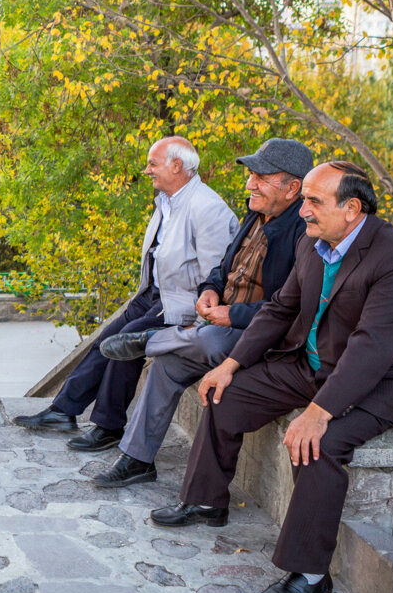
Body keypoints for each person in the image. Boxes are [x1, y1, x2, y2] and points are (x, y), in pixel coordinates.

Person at [150, 161, 393, 593]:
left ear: (352, 209)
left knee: (318, 444)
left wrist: (318, 411)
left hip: (383, 382)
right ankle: (206, 503)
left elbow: (372, 348)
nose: (302, 210)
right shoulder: (315, 242)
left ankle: (309, 574)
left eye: (312, 200)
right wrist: (231, 363)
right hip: (313, 363)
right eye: (302, 198)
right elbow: (280, 310)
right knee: (225, 395)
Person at [89, 138, 312, 488]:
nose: (249, 184)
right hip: (219, 325)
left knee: (209, 341)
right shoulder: (254, 213)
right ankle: (136, 460)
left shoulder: (305, 233)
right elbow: (221, 269)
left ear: (292, 187)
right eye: (251, 175)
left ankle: (152, 340)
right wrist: (210, 291)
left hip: (261, 337)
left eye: (261, 177)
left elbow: (290, 307)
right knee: (167, 367)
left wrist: (233, 315)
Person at [14, 137, 239, 450]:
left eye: (152, 163)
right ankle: (63, 410)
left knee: (126, 344)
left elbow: (215, 276)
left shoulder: (208, 208)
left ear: (176, 165)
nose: (146, 170)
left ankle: (108, 426)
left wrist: (196, 317)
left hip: (180, 304)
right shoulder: (169, 200)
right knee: (104, 341)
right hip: (152, 294)